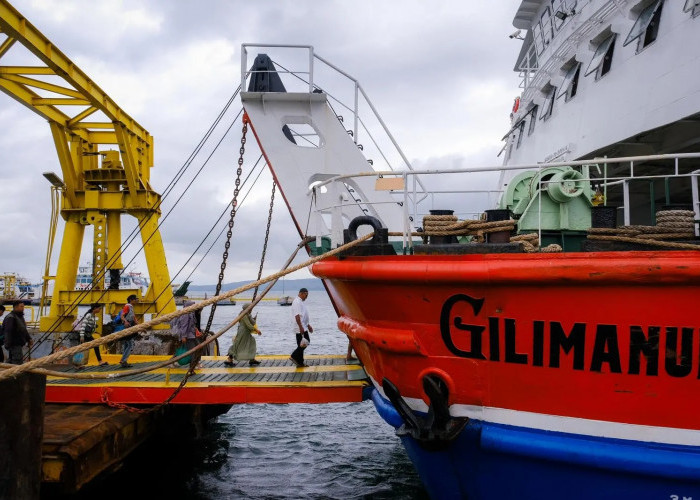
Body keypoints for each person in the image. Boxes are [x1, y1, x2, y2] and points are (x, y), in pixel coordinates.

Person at [170, 300, 201, 368]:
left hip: (191, 335)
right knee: (193, 350)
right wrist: (184, 336)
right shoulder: (185, 314)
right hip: (188, 336)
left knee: (195, 347)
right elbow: (184, 326)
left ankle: (172, 361)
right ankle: (193, 365)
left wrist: (196, 329)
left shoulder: (191, 313)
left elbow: (191, 325)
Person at [289, 288, 313, 368]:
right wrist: (301, 327)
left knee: (301, 344)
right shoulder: (297, 302)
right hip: (300, 327)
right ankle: (294, 356)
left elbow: (303, 316)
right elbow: (297, 316)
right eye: (306, 295)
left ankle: (300, 363)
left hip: (303, 325)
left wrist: (308, 325)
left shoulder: (300, 302)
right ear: (302, 293)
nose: (306, 297)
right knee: (306, 341)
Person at [3, 301, 31, 365]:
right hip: (14, 344)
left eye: (23, 306)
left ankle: (7, 372)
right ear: (15, 307)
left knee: (11, 360)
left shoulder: (19, 317)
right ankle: (15, 374)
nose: (23, 308)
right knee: (17, 361)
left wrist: (29, 338)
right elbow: (8, 331)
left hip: (18, 343)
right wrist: (8, 344)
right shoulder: (11, 317)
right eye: (21, 306)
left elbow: (23, 329)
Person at [119, 294, 139, 368]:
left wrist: (138, 325)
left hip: (130, 326)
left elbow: (133, 317)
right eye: (135, 299)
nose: (136, 300)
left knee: (127, 344)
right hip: (127, 327)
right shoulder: (127, 306)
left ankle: (124, 361)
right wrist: (126, 322)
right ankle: (123, 360)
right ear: (131, 300)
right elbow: (122, 316)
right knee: (130, 344)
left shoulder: (131, 307)